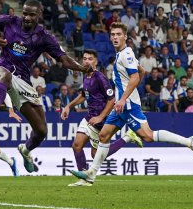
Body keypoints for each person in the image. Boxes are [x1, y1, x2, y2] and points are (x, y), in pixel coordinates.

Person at [70, 22, 193, 184]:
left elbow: (135, 77)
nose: (115, 37)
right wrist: (125, 95)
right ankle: (91, 174)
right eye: (113, 34)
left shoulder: (126, 53)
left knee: (148, 136)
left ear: (125, 37)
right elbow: (141, 71)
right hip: (120, 106)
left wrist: (123, 98)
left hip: (127, 105)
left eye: (118, 34)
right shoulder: (121, 54)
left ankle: (189, 142)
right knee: (103, 135)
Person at [0, 0, 92, 173]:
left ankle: (25, 151)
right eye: (25, 13)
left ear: (39, 15)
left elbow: (63, 59)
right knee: (1, 73)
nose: (26, 17)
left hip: (24, 81)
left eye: (31, 14)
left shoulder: (44, 37)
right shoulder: (10, 21)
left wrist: (81, 68)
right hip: (4, 71)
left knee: (41, 131)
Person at [61, 49, 143, 187]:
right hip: (89, 118)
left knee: (96, 155)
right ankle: (83, 179)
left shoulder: (100, 77)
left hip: (100, 121)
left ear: (96, 61)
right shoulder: (85, 75)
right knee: (76, 145)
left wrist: (100, 117)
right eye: (85, 58)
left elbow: (111, 100)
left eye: (90, 59)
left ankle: (128, 137)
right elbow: (83, 94)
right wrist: (68, 106)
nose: (86, 61)